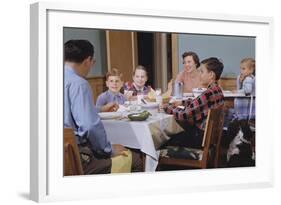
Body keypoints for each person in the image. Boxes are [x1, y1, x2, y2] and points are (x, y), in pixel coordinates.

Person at [64, 40, 142, 174]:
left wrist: (100, 109)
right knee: (136, 160)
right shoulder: (79, 84)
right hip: (76, 155)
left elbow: (70, 111)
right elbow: (89, 126)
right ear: (88, 60)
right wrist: (109, 149)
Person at [163, 57, 225, 148]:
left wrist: (166, 107)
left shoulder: (207, 94)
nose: (199, 75)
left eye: (202, 72)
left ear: (211, 74)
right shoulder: (217, 90)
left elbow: (184, 115)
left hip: (199, 138)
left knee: (165, 139)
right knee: (180, 131)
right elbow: (199, 104)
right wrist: (182, 102)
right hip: (207, 138)